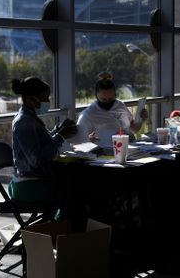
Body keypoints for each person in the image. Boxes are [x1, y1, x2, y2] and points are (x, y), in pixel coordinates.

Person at [9, 76, 78, 204]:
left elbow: (42, 145)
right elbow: (37, 159)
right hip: (28, 185)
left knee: (75, 187)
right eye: (45, 98)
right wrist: (60, 136)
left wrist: (59, 130)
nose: (48, 101)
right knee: (76, 193)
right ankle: (60, 223)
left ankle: (58, 223)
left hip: (35, 181)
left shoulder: (30, 118)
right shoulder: (24, 122)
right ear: (31, 99)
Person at [76, 72, 147, 145]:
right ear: (96, 95)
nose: (107, 102)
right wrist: (88, 140)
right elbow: (76, 141)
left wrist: (141, 119)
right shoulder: (88, 114)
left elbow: (133, 130)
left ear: (115, 95)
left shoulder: (120, 105)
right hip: (105, 153)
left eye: (111, 99)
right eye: (103, 99)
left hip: (129, 148)